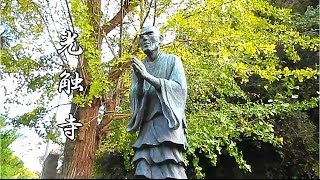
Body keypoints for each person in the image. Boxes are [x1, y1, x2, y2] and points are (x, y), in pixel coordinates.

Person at [126, 26, 188, 179]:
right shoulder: (140, 67)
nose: (145, 39)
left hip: (166, 125)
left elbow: (179, 89)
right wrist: (140, 80)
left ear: (160, 39)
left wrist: (148, 77)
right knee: (143, 169)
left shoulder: (173, 60)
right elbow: (135, 97)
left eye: (149, 34)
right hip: (147, 128)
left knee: (170, 168)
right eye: (142, 36)